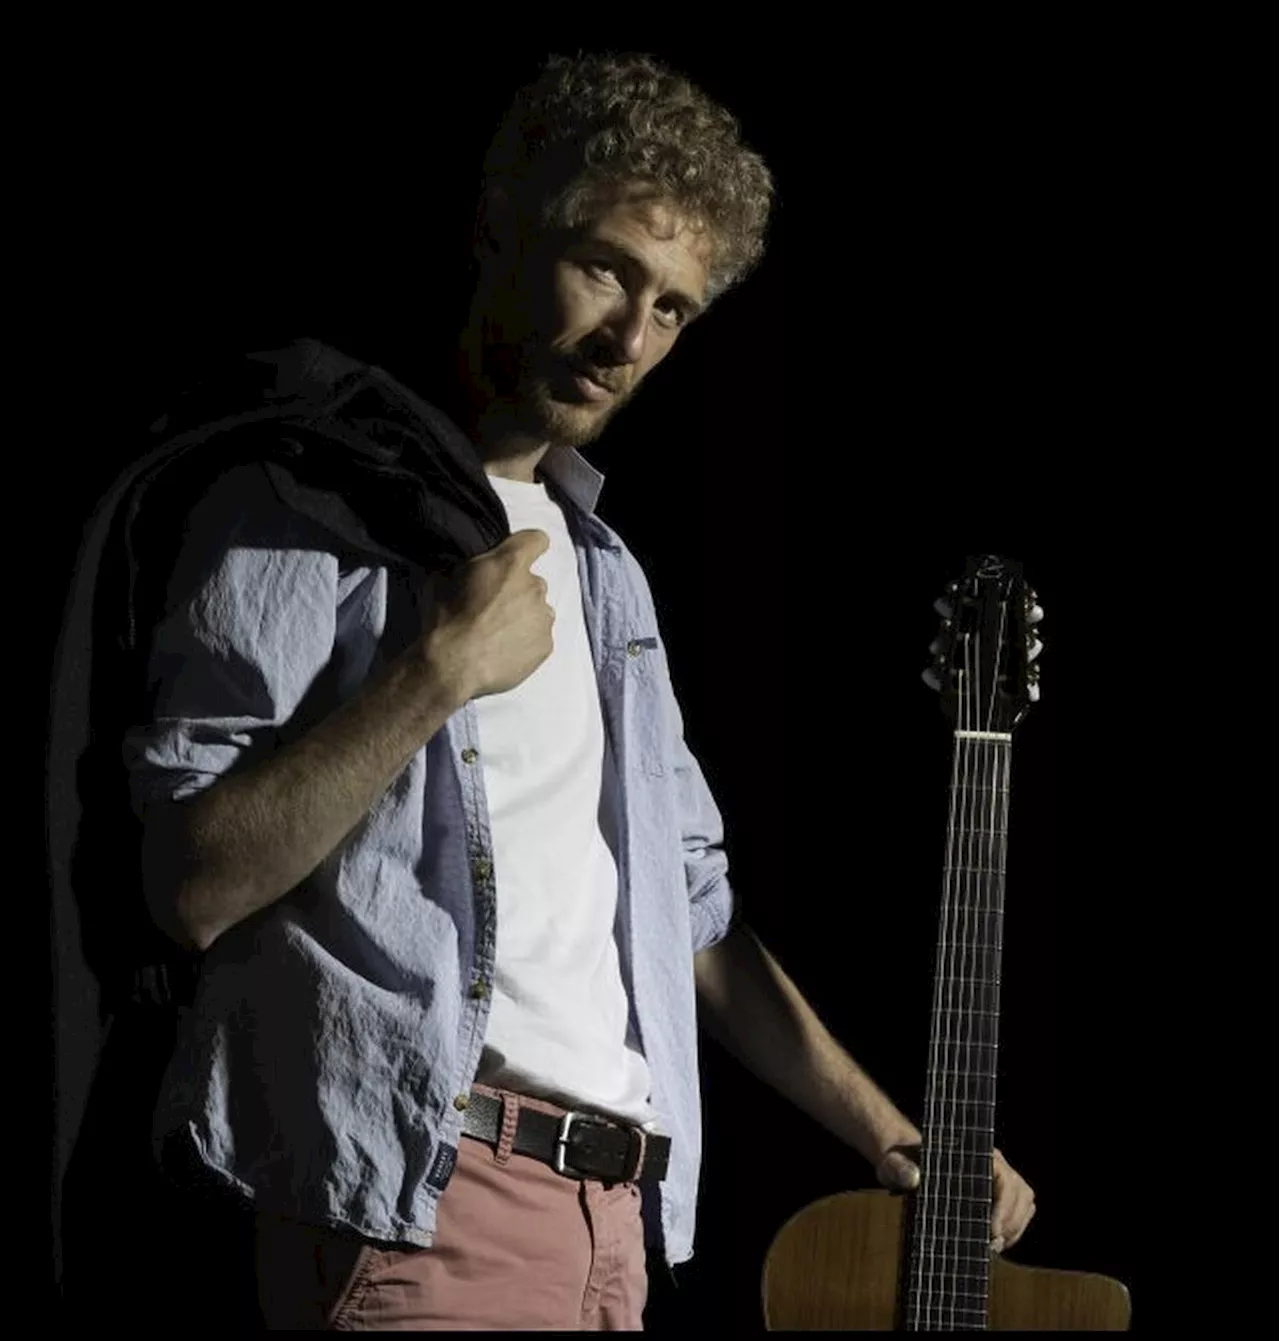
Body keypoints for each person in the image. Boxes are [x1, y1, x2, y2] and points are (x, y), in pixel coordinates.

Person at [105, 51, 1034, 1329]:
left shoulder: (607, 579)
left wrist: (890, 1137)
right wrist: (432, 673)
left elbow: (691, 916)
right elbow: (192, 885)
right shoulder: (301, 508)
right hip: (421, 1202)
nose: (627, 339)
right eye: (604, 268)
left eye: (671, 310)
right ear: (502, 228)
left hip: (618, 1229)